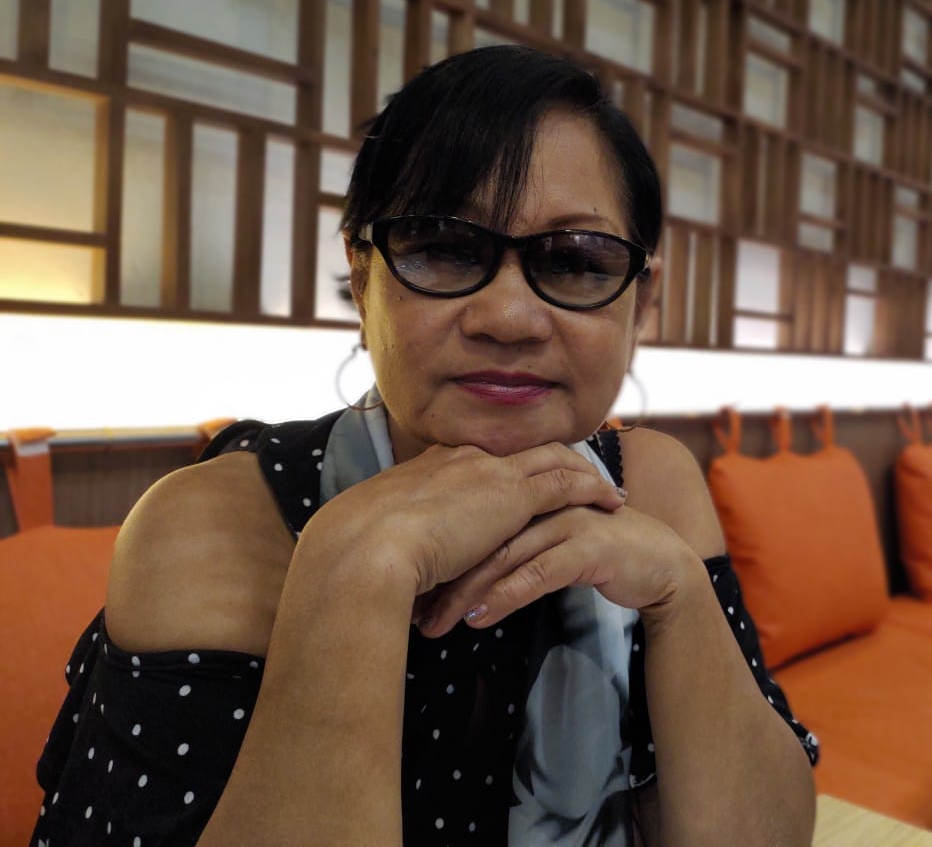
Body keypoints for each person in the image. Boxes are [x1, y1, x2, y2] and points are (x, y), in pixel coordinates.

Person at [30, 45, 818, 846]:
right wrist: (351, 577)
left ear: (640, 302)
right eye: (443, 247)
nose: (508, 317)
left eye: (575, 261)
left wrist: (682, 600)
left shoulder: (653, 487)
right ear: (362, 276)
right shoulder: (211, 528)